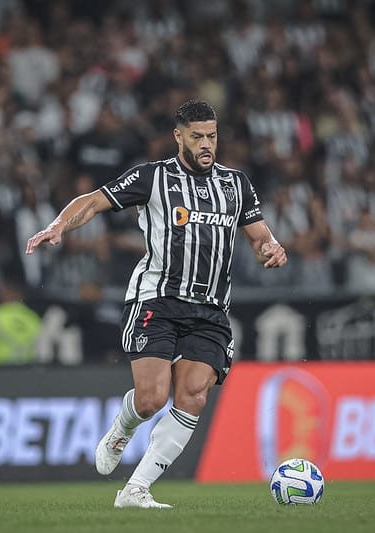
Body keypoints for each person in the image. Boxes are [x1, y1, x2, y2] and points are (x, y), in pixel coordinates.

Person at [27, 99, 287, 508]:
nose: (206, 145)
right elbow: (93, 200)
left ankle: (136, 489)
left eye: (212, 137)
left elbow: (259, 237)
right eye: (198, 136)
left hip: (211, 309)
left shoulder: (236, 184)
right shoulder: (152, 178)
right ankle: (123, 427)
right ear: (178, 136)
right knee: (150, 399)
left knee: (194, 395)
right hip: (157, 299)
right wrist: (59, 225)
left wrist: (271, 248)